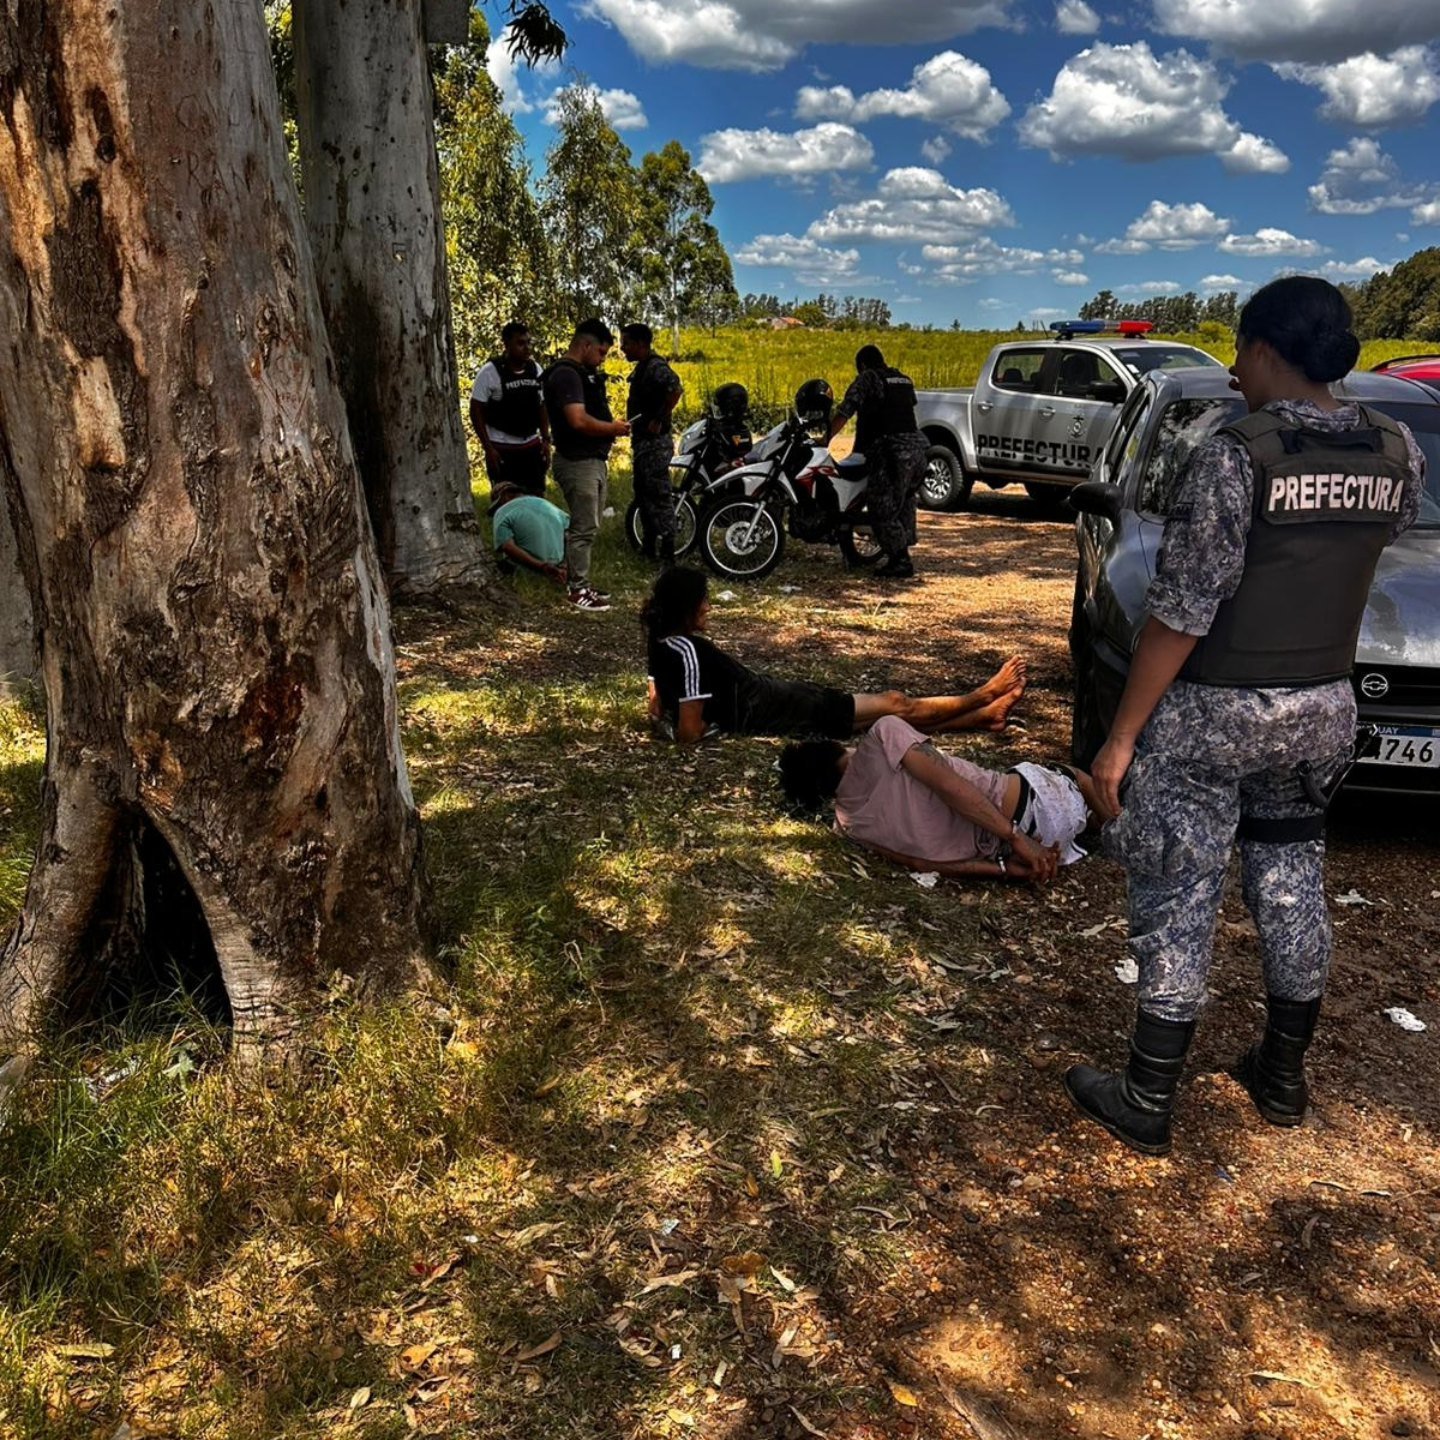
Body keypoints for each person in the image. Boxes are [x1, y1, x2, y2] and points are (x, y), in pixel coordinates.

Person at [1065, 276, 1427, 1158]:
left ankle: (1148, 1095)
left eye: (1239, 351)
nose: (1232, 370)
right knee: (1291, 878)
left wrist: (1121, 738)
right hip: (1323, 706)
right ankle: (1282, 1076)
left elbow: (1183, 610)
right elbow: (1390, 536)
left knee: (1180, 885)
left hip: (1215, 713)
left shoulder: (1239, 456)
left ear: (1268, 349)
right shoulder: (1396, 447)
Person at [642, 566, 1027, 743]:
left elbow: (657, 704)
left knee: (873, 726)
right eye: (704, 601)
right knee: (895, 703)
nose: (709, 607)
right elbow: (688, 731)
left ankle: (980, 717)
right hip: (779, 705)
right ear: (686, 608)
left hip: (773, 704)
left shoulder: (659, 642)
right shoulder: (689, 650)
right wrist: (697, 725)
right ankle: (982, 695)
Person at [780, 725, 1099, 885]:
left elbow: (919, 863)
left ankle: (1092, 828)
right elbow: (950, 786)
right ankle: (1118, 823)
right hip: (1031, 806)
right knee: (1076, 776)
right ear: (833, 747)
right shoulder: (883, 735)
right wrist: (1018, 836)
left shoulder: (849, 827)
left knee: (1079, 808)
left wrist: (1005, 869)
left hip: (1017, 857)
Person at [543, 319, 631, 612]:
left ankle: (581, 581)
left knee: (589, 525)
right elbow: (577, 420)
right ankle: (577, 589)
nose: (602, 360)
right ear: (586, 345)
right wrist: (612, 428)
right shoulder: (566, 375)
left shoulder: (580, 374)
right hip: (577, 461)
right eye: (601, 353)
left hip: (592, 460)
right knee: (583, 525)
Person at [829, 344, 927, 579]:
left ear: (862, 366)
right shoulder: (903, 379)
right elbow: (906, 409)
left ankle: (900, 560)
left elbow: (847, 410)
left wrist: (826, 437)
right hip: (919, 449)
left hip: (892, 451)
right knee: (904, 502)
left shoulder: (868, 379)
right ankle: (903, 547)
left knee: (881, 507)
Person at [621, 323, 684, 564]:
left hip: (655, 444)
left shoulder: (656, 367)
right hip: (643, 442)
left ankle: (668, 553)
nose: (623, 348)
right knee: (643, 493)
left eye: (626, 343)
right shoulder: (644, 367)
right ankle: (648, 547)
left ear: (640, 344)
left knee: (659, 494)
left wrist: (659, 416)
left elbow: (675, 389)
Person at [470, 322, 550, 498]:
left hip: (531, 445)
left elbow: (542, 405)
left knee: (537, 500)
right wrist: (488, 448)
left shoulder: (535, 369)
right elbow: (476, 411)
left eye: (529, 342)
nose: (527, 348)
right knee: (507, 502)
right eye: (521, 343)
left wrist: (545, 439)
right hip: (502, 447)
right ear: (506, 345)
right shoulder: (490, 372)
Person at [489, 481, 569, 587]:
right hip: (560, 569)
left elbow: (508, 546)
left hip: (527, 572)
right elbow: (571, 537)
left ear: (505, 496)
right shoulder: (549, 506)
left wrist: (542, 566)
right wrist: (564, 566)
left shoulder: (502, 512)